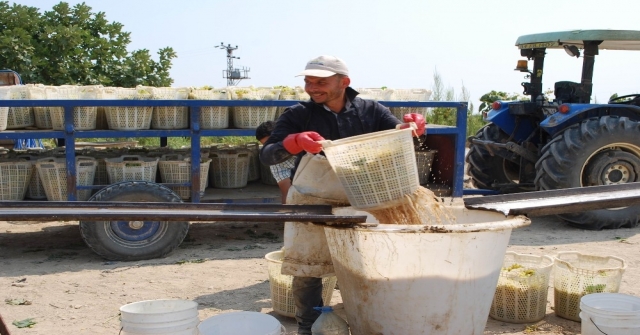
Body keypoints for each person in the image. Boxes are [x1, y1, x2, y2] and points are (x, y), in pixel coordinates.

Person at [260, 55, 425, 334]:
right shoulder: (298, 114)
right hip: (311, 198)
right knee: (307, 267)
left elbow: (397, 133)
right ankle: (309, 328)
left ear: (344, 82)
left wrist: (412, 127)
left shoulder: (370, 110)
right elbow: (268, 154)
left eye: (320, 82)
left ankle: (365, 321)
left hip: (360, 198)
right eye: (308, 81)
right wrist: (293, 142)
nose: (312, 87)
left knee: (367, 265)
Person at [255, 121, 295, 204]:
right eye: (268, 145)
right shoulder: (274, 159)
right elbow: (288, 194)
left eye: (274, 143)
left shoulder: (304, 139)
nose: (274, 148)